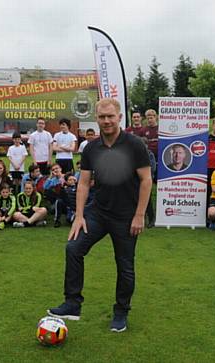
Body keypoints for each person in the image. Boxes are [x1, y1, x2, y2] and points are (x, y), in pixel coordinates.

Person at [47, 98, 152, 333]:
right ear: (97, 118)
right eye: (102, 117)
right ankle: (73, 304)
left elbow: (146, 180)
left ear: (119, 117)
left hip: (126, 216)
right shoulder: (91, 147)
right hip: (99, 212)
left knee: (124, 266)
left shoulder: (134, 145)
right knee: (73, 248)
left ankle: (121, 312)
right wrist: (80, 215)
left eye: (110, 116)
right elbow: (83, 183)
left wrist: (139, 215)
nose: (106, 121)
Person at [43, 163, 66, 227]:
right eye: (53, 169)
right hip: (56, 198)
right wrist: (50, 176)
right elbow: (45, 187)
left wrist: (60, 178)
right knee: (48, 191)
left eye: (56, 168)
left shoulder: (65, 177)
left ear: (60, 169)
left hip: (65, 198)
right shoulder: (53, 180)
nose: (55, 170)